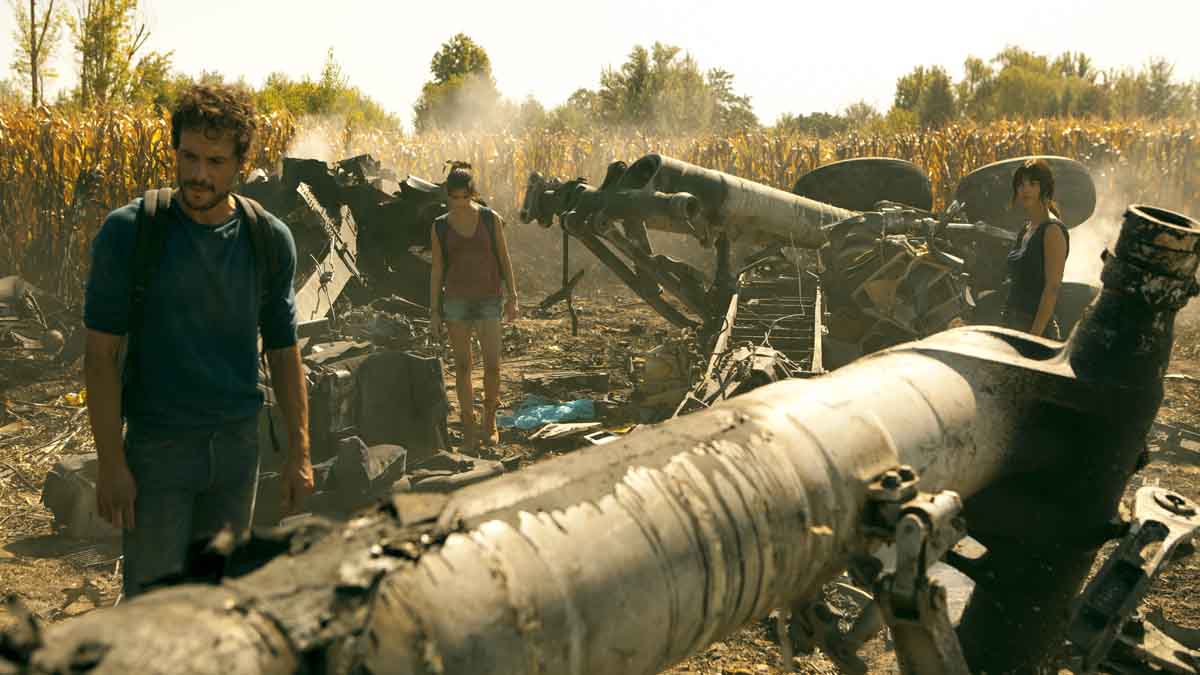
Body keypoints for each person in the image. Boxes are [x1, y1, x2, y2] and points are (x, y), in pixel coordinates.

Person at [83, 84, 315, 598]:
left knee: (219, 606)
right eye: (188, 156)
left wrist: (298, 451)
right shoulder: (130, 233)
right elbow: (100, 357)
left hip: (237, 450)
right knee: (155, 609)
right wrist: (110, 463)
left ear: (239, 164)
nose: (198, 174)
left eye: (214, 160)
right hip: (157, 450)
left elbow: (283, 350)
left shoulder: (267, 239)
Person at [429, 164, 519, 449]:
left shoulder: (490, 220)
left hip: (489, 299)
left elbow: (504, 259)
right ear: (447, 197)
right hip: (456, 302)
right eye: (454, 199)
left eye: (464, 198)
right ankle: (468, 424)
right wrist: (434, 311)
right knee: (463, 366)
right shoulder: (440, 226)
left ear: (473, 194)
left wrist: (513, 297)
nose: (459, 204)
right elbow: (437, 269)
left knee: (493, 365)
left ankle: (489, 421)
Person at [1001, 158, 1070, 339]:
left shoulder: (1052, 230)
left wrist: (1033, 337)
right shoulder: (1026, 228)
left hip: (1036, 329)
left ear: (1045, 188)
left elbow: (1052, 287)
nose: (1025, 189)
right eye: (1021, 185)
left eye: (1033, 184)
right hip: (1012, 323)